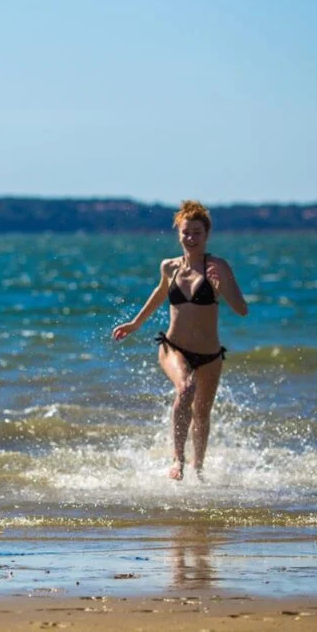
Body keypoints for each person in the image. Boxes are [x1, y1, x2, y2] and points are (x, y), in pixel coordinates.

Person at [112, 201, 248, 481]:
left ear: (206, 235)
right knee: (185, 389)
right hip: (173, 348)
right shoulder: (169, 267)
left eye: (197, 232)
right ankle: (178, 460)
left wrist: (222, 287)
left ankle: (198, 469)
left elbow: (242, 309)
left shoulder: (218, 266)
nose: (191, 238)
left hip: (210, 355)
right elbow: (160, 293)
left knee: (202, 414)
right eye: (186, 232)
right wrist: (135, 323)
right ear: (178, 233)